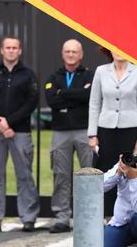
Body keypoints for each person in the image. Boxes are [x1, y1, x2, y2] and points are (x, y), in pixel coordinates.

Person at [0, 36, 40, 232]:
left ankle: (28, 218)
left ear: (20, 51)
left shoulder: (28, 75)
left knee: (24, 176)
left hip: (19, 132)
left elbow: (31, 102)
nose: (11, 51)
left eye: (15, 48)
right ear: (2, 50)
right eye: (8, 47)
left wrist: (10, 122)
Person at [88, 48, 137, 216]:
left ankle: (129, 214)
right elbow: (94, 104)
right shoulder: (101, 71)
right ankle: (106, 214)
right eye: (114, 48)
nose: (119, 51)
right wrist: (92, 134)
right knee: (107, 172)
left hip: (130, 130)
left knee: (130, 171)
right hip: (106, 130)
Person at [44, 39, 94, 233]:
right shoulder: (53, 76)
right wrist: (78, 94)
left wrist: (63, 94)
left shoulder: (90, 74)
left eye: (74, 52)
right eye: (67, 51)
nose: (71, 55)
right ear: (62, 54)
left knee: (88, 174)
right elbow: (52, 101)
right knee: (61, 175)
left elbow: (89, 97)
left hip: (84, 130)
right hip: (60, 131)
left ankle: (89, 217)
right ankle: (62, 217)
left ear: (81, 55)